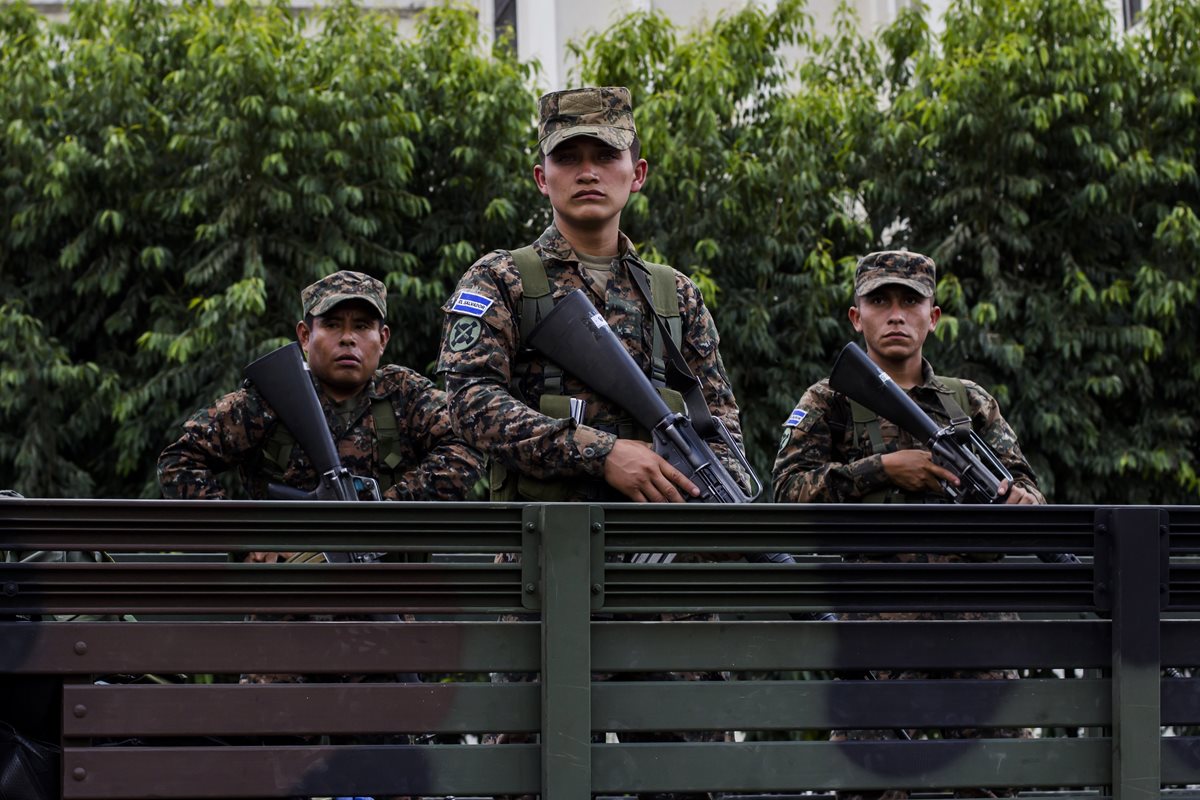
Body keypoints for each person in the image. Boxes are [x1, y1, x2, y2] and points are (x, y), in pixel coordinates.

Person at [437, 86, 743, 800]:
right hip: (540, 579)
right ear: (540, 175)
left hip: (666, 593)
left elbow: (723, 428)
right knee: (523, 776)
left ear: (636, 172)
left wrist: (702, 480)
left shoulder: (675, 296)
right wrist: (601, 452)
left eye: (603, 155)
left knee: (687, 778)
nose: (585, 170)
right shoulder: (503, 279)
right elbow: (468, 403)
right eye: (566, 157)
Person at [772, 250, 1044, 800]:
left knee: (995, 781)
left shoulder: (969, 402)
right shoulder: (831, 401)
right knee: (871, 782)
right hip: (878, 627)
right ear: (856, 317)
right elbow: (786, 493)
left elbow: (1028, 488)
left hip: (978, 628)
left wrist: (1021, 501)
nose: (895, 314)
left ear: (933, 317)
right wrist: (883, 469)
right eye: (879, 300)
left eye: (909, 301)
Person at [158, 269, 484, 513]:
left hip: (383, 587)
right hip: (287, 594)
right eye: (331, 324)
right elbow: (179, 460)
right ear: (304, 336)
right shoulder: (269, 398)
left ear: (382, 339)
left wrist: (388, 509)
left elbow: (468, 440)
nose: (347, 338)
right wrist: (247, 537)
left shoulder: (405, 395)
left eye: (361, 326)